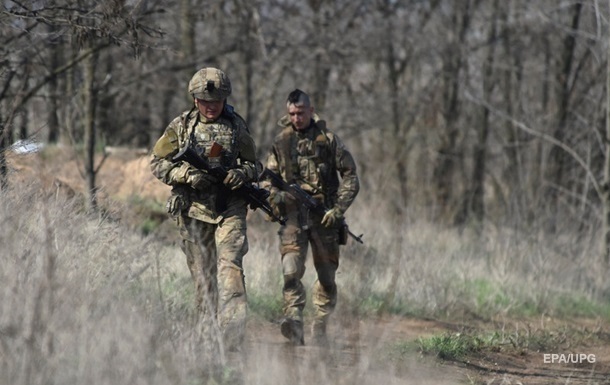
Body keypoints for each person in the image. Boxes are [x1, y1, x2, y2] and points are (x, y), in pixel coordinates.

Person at [150, 67, 258, 352]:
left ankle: (233, 340)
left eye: (217, 101)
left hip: (230, 208)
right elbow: (157, 163)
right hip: (194, 209)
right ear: (195, 99)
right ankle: (207, 340)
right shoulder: (181, 127)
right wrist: (186, 175)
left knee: (230, 268)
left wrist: (242, 174)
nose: (211, 107)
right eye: (205, 101)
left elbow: (255, 165)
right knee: (203, 278)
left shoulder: (236, 126)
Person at [262, 89, 360, 345]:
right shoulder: (280, 142)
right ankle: (293, 319)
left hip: (324, 218)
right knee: (291, 270)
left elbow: (350, 176)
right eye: (292, 113)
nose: (296, 118)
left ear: (311, 110)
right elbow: (267, 180)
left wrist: (337, 210)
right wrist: (277, 199)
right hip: (293, 218)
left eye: (301, 113)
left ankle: (321, 324)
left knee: (327, 276)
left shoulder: (328, 140)